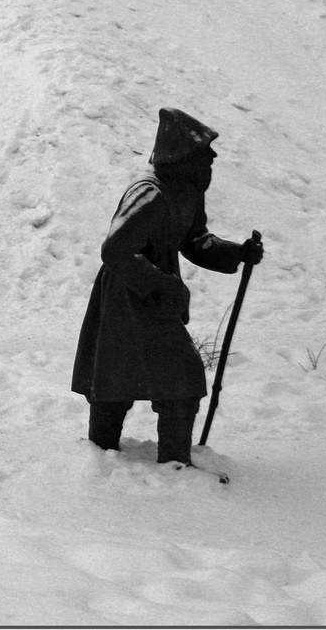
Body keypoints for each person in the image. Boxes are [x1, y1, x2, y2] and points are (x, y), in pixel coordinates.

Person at [72, 108, 265, 466]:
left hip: (152, 294)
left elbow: (195, 240)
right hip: (127, 295)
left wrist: (236, 253)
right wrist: (163, 285)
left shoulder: (186, 194)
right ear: (183, 158)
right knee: (168, 376)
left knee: (142, 374)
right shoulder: (148, 194)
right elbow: (115, 249)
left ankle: (154, 459)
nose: (210, 165)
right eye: (204, 157)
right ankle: (105, 458)